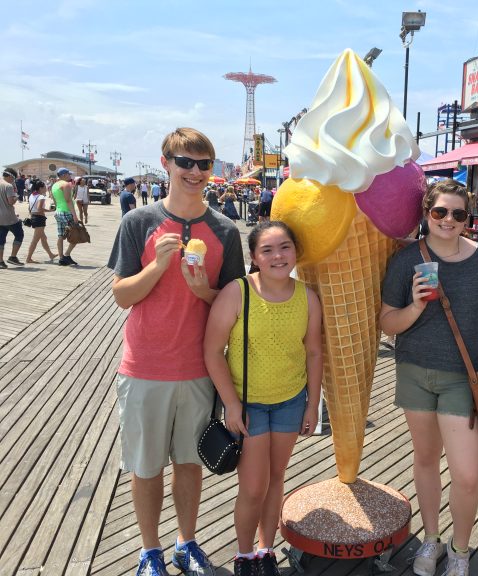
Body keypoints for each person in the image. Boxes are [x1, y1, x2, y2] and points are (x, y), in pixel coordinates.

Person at [108, 127, 246, 576]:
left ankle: (187, 543)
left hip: (199, 367)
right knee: (145, 467)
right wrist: (158, 265)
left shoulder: (225, 230)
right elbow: (123, 295)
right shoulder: (139, 222)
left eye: (204, 163)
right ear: (165, 162)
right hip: (145, 367)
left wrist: (203, 291)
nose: (194, 171)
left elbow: (232, 303)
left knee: (189, 464)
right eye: (184, 161)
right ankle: (150, 552)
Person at [380, 180, 478, 576]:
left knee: (466, 474)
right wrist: (414, 305)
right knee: (426, 458)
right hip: (413, 371)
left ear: (468, 218)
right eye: (440, 212)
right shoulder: (405, 260)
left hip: (464, 377)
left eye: (458, 214)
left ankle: (459, 549)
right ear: (427, 212)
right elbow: (387, 323)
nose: (449, 220)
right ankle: (430, 539)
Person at [204, 221, 322, 576]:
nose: (277, 256)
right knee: (253, 486)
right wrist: (232, 403)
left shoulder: (307, 297)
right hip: (248, 404)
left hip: (289, 400)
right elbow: (212, 351)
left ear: (295, 252)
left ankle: (265, 549)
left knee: (275, 479)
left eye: (284, 247)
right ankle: (243, 555)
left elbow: (314, 351)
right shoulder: (238, 292)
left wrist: (312, 403)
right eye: (267, 250)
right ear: (254, 257)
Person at [50, 167, 80, 266]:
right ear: (63, 175)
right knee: (77, 234)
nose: (70, 176)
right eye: (68, 174)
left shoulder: (54, 185)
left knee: (61, 235)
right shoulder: (66, 185)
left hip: (58, 212)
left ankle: (61, 258)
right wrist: (75, 216)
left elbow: (54, 201)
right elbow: (68, 201)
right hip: (66, 212)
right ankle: (66, 255)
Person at [25, 180, 57, 263]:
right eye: (45, 187)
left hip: (34, 217)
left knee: (43, 238)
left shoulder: (32, 195)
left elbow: (29, 208)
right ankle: (28, 258)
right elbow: (39, 209)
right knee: (35, 240)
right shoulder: (41, 197)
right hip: (39, 219)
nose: (46, 188)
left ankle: (50, 254)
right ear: (40, 188)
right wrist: (49, 210)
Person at [1, 167, 25, 268]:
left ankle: (0, 262)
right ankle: (13, 257)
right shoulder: (8, 186)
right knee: (19, 234)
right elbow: (11, 202)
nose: (13, 180)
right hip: (9, 217)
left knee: (1, 239)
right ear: (10, 176)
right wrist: (16, 197)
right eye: (13, 178)